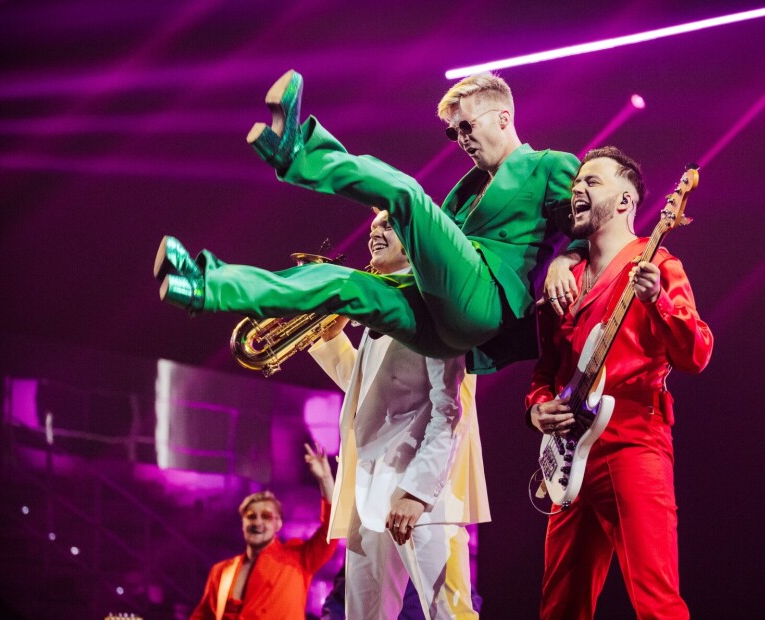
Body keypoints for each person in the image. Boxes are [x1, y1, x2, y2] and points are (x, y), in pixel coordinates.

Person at [154, 70, 579, 373]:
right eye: (453, 133)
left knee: (406, 195)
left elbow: (590, 229)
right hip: (437, 324)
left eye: (467, 126)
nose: (462, 139)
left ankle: (298, 156)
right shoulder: (466, 190)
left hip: (486, 303)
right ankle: (204, 287)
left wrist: (564, 260)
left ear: (504, 118)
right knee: (340, 284)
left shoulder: (549, 166)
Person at [525, 147, 713, 619]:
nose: (578, 189)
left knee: (655, 600)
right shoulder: (562, 280)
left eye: (593, 182)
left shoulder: (659, 264)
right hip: (571, 454)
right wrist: (537, 407)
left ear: (626, 201)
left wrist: (658, 303)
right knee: (559, 606)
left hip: (634, 441)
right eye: (576, 184)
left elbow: (697, 354)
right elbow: (546, 371)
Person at [308, 209, 489, 619]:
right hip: (369, 487)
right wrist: (331, 338)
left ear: (413, 235)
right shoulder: (381, 303)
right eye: (372, 226)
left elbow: (451, 408)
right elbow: (373, 393)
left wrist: (419, 492)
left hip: (420, 490)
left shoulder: (437, 301)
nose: (374, 231)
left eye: (387, 225)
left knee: (450, 613)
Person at [190, 443, 339, 620]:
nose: (258, 522)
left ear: (278, 524)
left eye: (266, 516)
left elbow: (331, 529)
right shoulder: (221, 571)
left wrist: (326, 479)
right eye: (251, 516)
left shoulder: (298, 559)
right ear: (243, 523)